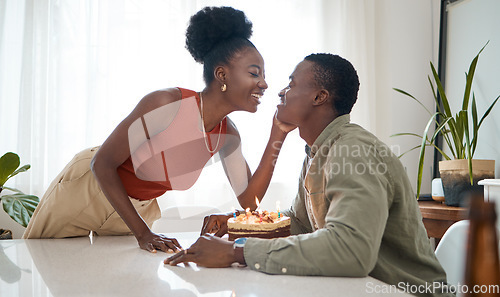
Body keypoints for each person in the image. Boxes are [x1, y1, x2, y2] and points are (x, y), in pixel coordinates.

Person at [165, 53, 454, 297]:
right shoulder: (318, 151)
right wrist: (238, 225)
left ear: (319, 96)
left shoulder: (352, 151)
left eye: (290, 84)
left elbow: (350, 250)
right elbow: (301, 223)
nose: (280, 92)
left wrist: (237, 252)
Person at [23, 6, 293, 253]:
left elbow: (249, 201)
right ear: (222, 75)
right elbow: (102, 164)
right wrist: (143, 234)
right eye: (255, 73)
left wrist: (277, 134)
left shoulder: (228, 135)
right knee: (40, 263)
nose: (264, 84)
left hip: (133, 210)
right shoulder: (167, 103)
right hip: (91, 187)